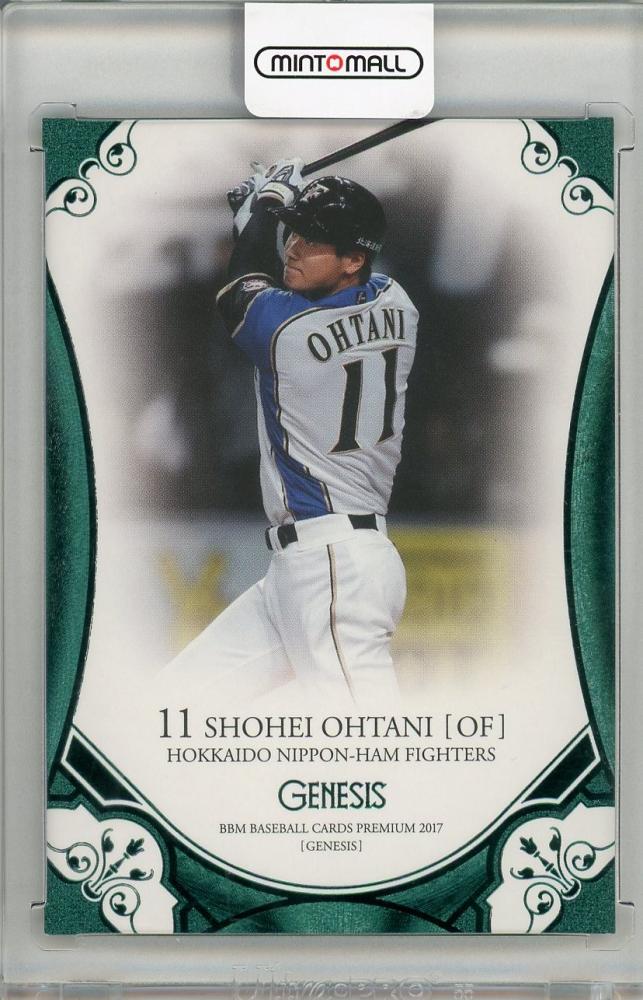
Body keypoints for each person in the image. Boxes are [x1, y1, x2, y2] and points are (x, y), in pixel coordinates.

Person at [162, 158, 418, 706]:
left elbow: (240, 289)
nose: (294, 249)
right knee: (173, 704)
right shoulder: (397, 302)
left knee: (375, 742)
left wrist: (263, 209)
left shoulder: (289, 332)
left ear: (354, 259)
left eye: (314, 241)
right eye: (294, 234)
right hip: (308, 570)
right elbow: (262, 280)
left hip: (336, 565)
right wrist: (258, 221)